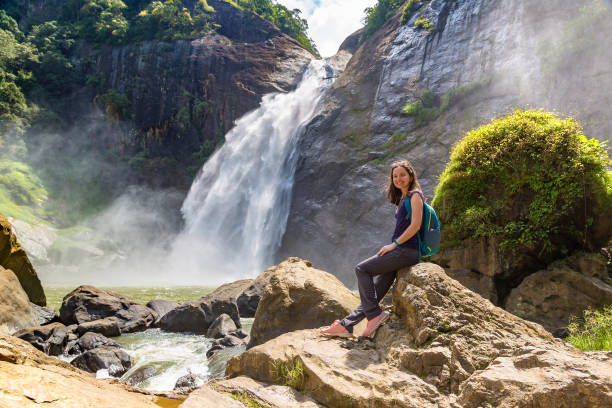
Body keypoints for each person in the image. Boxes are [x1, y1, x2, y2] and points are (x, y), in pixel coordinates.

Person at [320, 159, 423, 338]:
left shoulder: (415, 196)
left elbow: (415, 226)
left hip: (407, 251)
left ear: (411, 175)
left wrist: (394, 245)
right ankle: (346, 325)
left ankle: (375, 316)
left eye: (402, 175)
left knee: (362, 269)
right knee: (373, 294)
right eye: (395, 176)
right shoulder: (402, 199)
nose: (399, 179)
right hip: (400, 251)